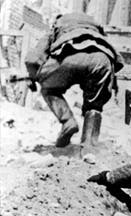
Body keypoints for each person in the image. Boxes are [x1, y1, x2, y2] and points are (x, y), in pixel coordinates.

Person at [25, 12, 123, 147]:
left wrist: (33, 76)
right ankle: (89, 145)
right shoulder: (98, 32)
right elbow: (115, 62)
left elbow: (32, 59)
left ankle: (67, 122)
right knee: (94, 106)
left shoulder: (57, 27)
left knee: (49, 89)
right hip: (102, 60)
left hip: (68, 56)